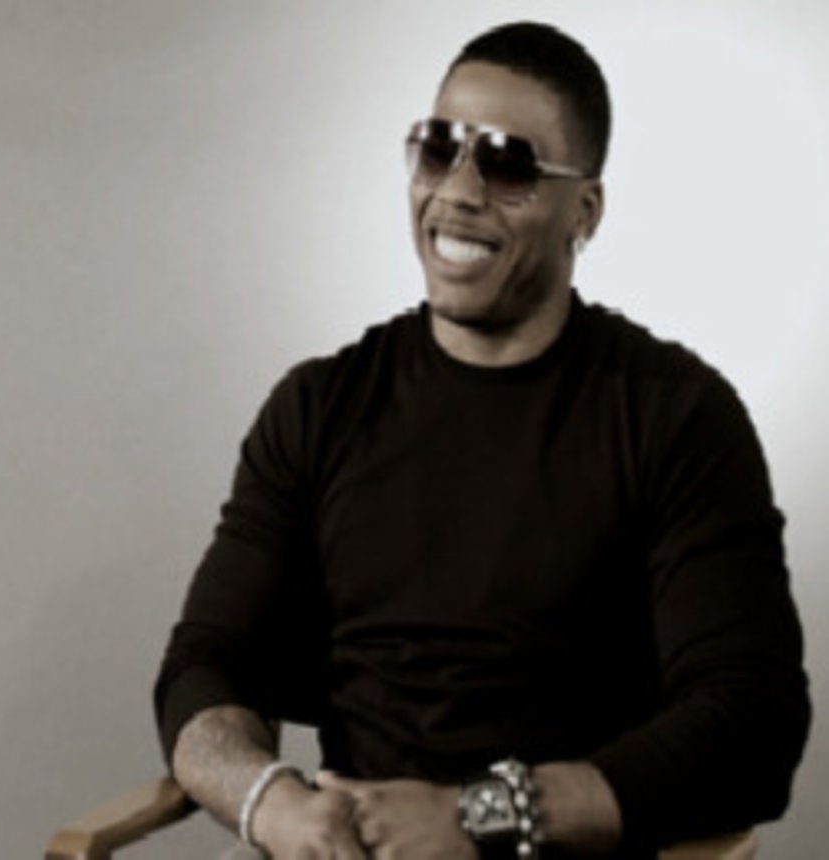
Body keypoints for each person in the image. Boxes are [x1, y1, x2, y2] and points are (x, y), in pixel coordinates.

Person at [154, 21, 810, 859]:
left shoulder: (676, 416)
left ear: (585, 211)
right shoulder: (317, 407)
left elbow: (754, 723)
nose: (458, 192)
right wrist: (274, 806)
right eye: (438, 150)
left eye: (507, 165)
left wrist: (482, 816)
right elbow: (206, 664)